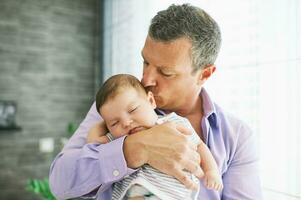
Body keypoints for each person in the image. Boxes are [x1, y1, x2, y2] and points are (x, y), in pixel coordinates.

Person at [49, 4, 262, 200]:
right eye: (146, 62)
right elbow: (59, 181)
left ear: (204, 74)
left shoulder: (236, 137)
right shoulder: (118, 108)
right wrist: (132, 150)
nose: (146, 80)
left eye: (165, 72)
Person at [86, 74, 222, 199]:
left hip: (170, 194)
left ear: (151, 100)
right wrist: (104, 125)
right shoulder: (118, 140)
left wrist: (212, 171)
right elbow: (93, 142)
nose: (126, 123)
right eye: (115, 122)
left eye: (132, 110)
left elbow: (199, 145)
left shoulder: (173, 123)